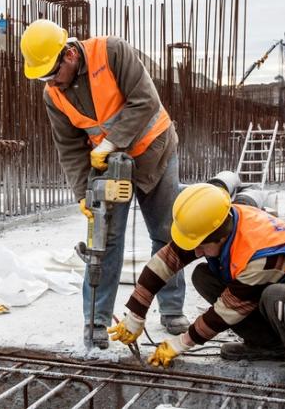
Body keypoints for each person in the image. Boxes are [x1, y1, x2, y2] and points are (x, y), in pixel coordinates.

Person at [19, 19, 189, 349]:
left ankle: (171, 310)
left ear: (68, 54)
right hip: (110, 167)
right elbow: (68, 146)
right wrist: (83, 191)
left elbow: (145, 101)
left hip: (156, 151)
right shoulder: (53, 95)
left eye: (53, 72)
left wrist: (110, 143)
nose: (51, 81)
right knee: (104, 241)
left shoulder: (112, 52)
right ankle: (95, 319)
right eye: (44, 77)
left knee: (167, 234)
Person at [108, 183, 285, 401]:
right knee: (204, 276)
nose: (198, 251)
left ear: (219, 236)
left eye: (202, 246)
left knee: (277, 297)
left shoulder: (263, 252)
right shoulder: (216, 223)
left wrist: (181, 343)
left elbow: (229, 308)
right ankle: (267, 347)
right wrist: (135, 315)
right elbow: (164, 262)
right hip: (269, 290)